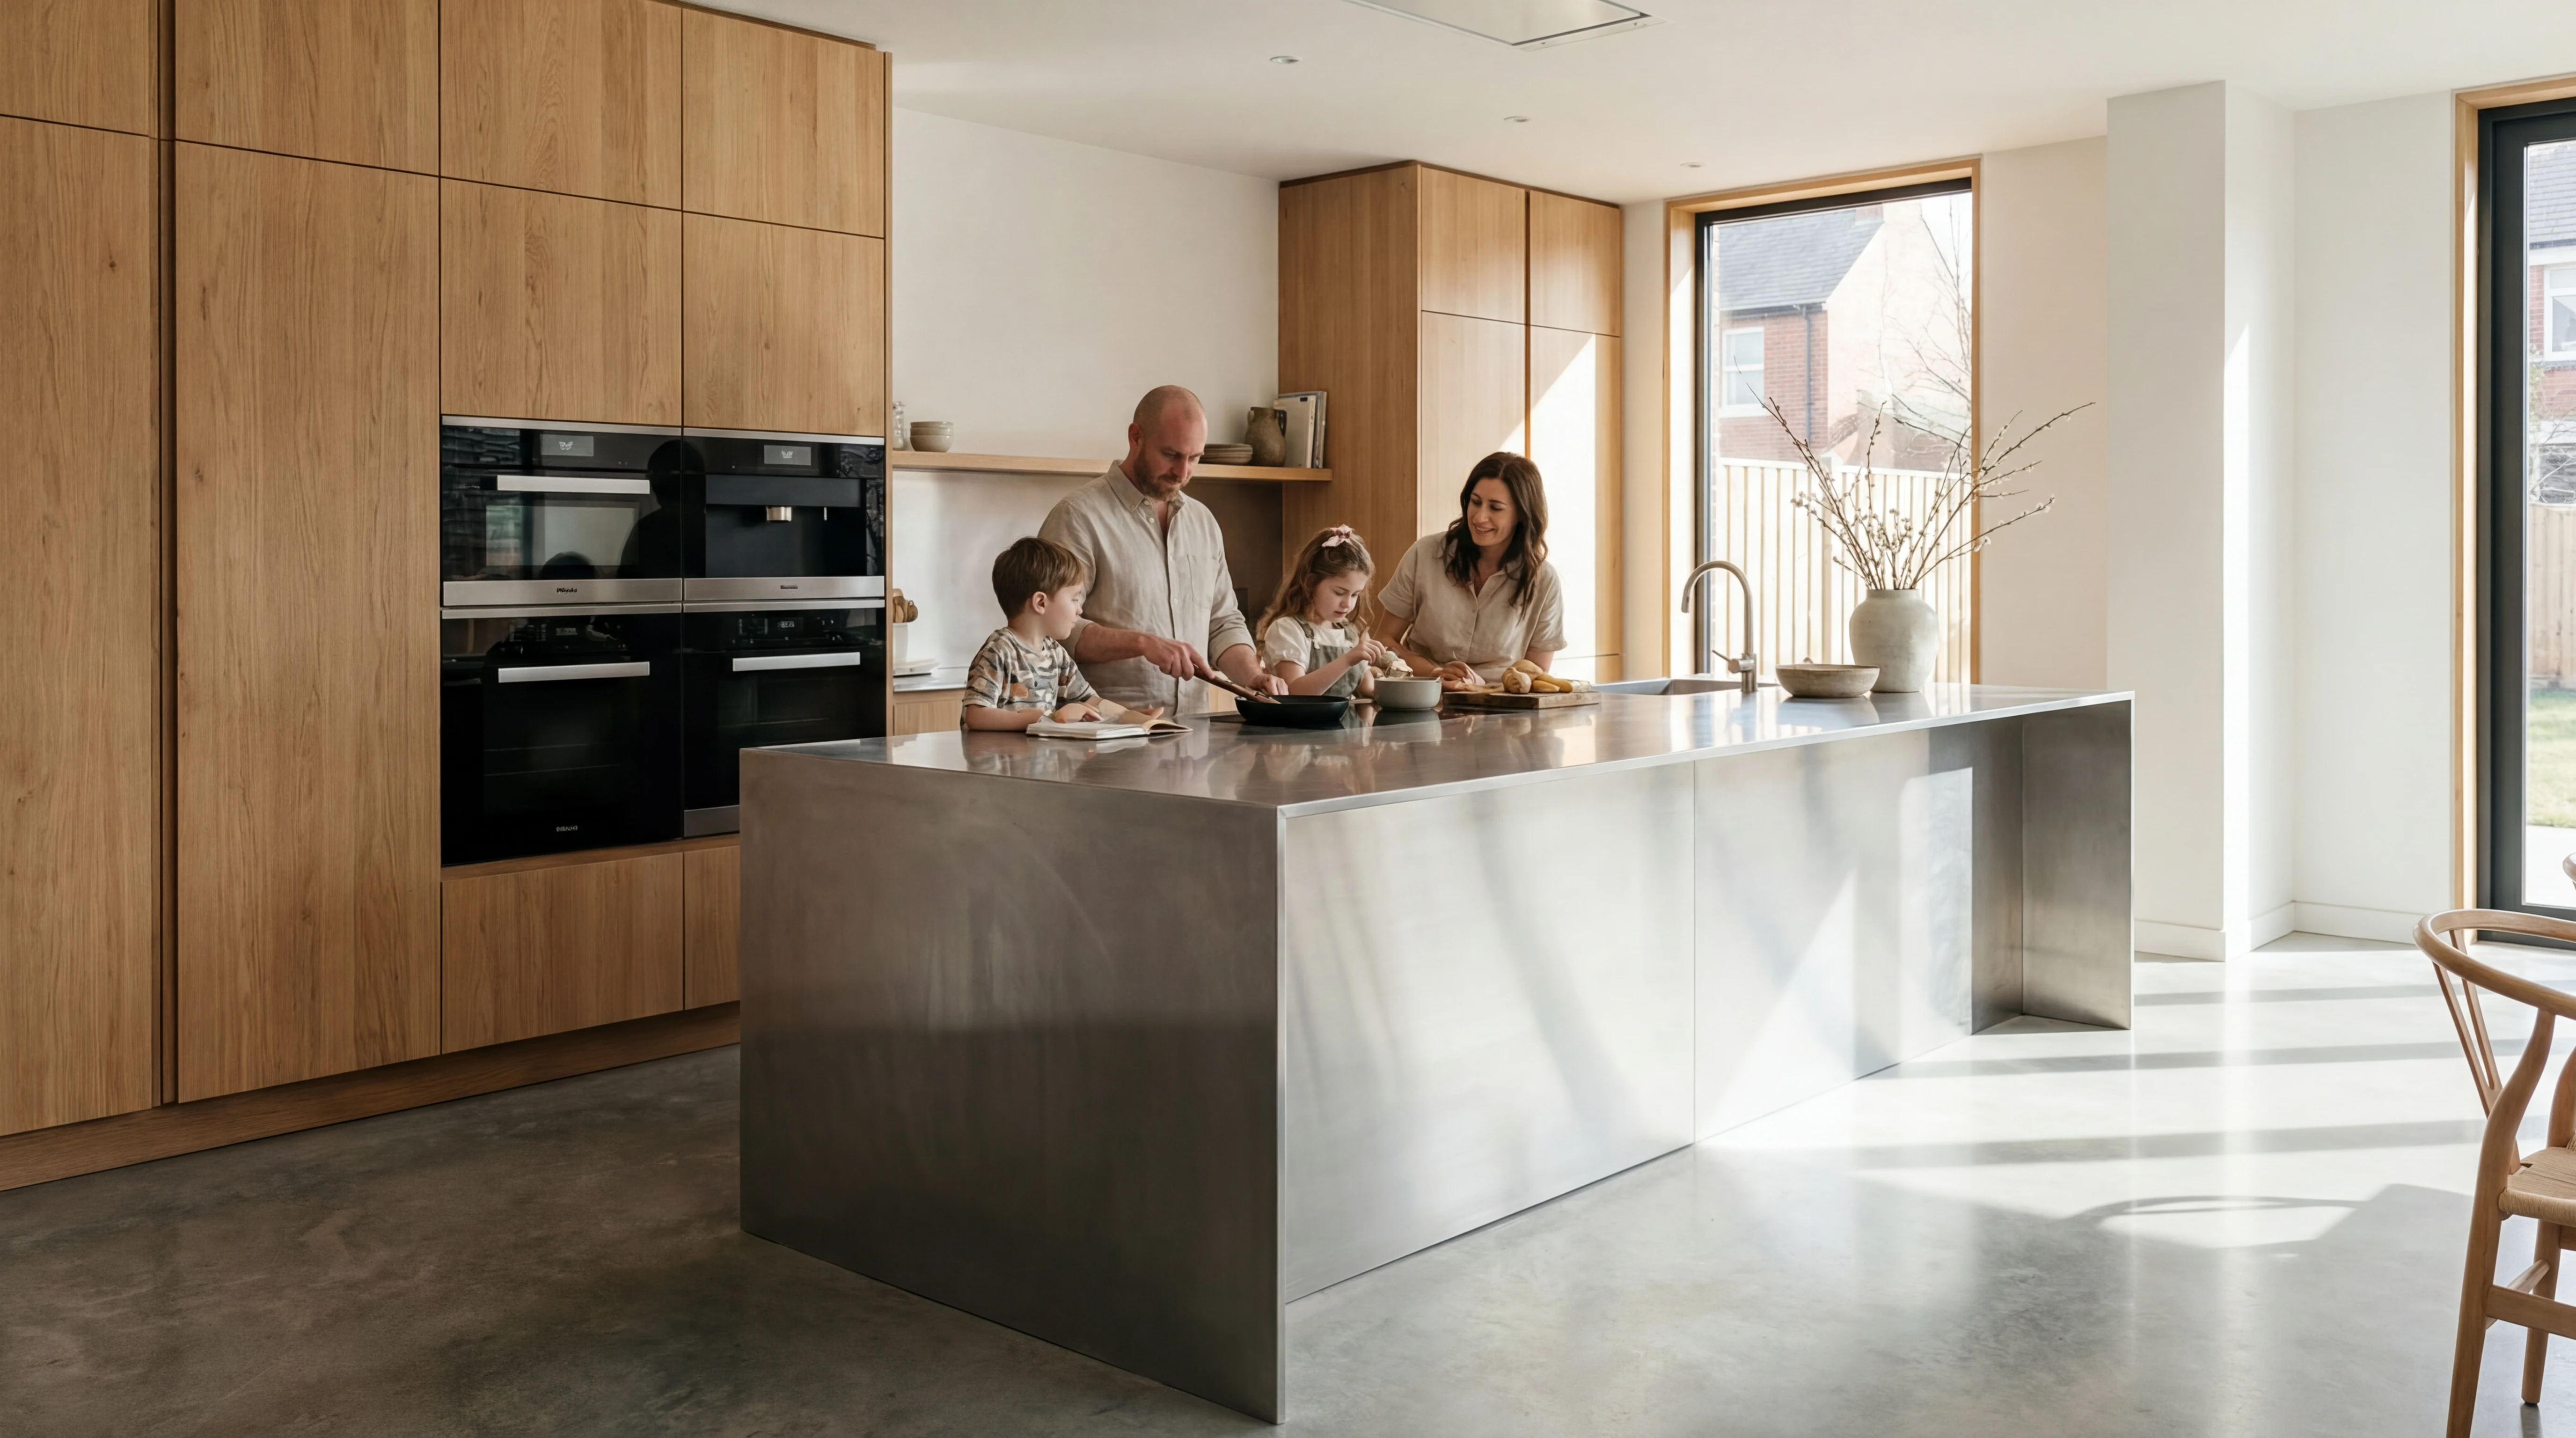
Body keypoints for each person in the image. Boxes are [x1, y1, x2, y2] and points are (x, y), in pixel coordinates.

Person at [1038, 386, 1287, 713]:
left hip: (1194, 735)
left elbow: (1223, 622)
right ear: (1135, 436)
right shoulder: (1078, 517)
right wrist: (1142, 643)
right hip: (1106, 738)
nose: (1183, 473)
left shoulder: (1203, 522)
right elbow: (1050, 627)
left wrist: (1252, 676)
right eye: (1171, 455)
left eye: (1195, 458)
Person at [1372, 452, 1567, 685]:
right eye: (1475, 502)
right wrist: (1435, 673)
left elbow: (1535, 676)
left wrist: (1481, 689)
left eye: (1495, 508)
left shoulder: (1544, 581)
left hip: (1502, 709)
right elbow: (1384, 641)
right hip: (1423, 695)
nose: (1480, 517)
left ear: (1522, 516)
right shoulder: (1425, 553)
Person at [959, 537, 1166, 732]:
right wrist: (1046, 719)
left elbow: (1090, 701)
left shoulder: (1055, 653)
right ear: (1041, 603)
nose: (1080, 610)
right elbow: (976, 716)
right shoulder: (999, 651)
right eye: (1075, 599)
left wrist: (1129, 716)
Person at [1257, 525, 1388, 699]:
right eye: (1339, 593)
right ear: (1310, 584)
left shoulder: (1351, 632)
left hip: (1345, 726)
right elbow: (1295, 693)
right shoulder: (1287, 630)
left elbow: (1368, 689)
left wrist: (1389, 677)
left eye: (1356, 595)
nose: (1347, 604)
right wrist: (1348, 659)